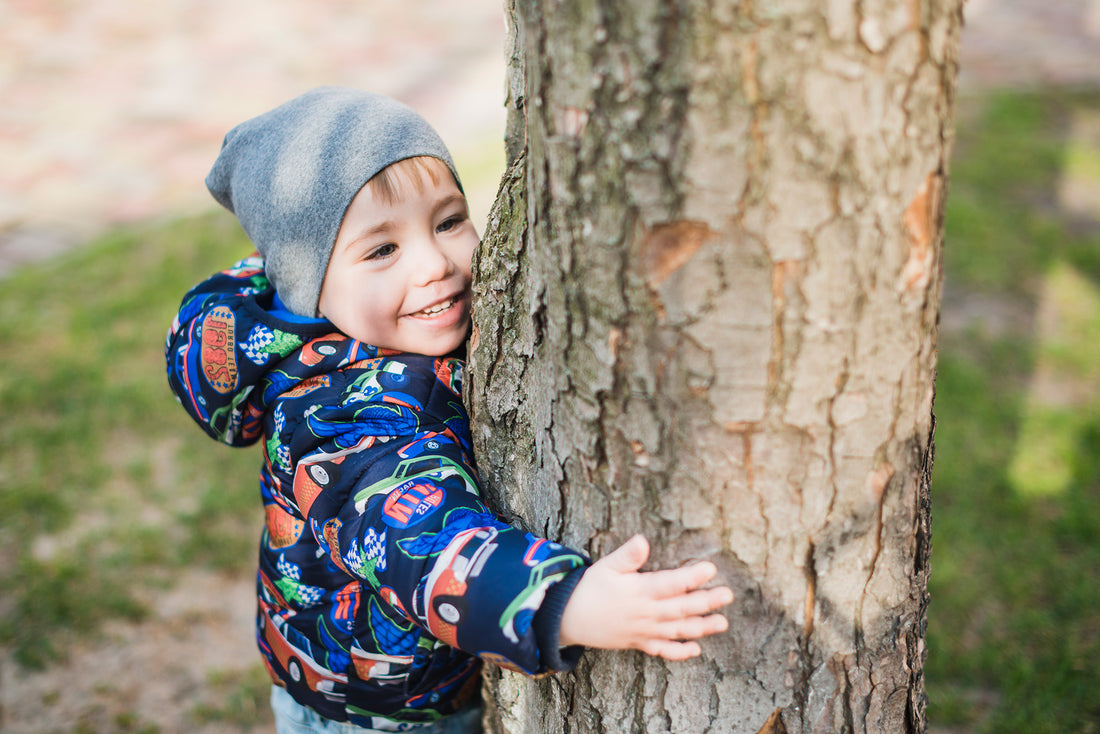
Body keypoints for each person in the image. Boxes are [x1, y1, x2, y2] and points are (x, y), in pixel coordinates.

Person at [166, 87, 733, 734]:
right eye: (382, 250)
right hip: (377, 718)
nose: (436, 264)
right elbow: (422, 544)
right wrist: (562, 606)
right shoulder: (345, 420)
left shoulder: (371, 328)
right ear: (310, 286)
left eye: (447, 221)